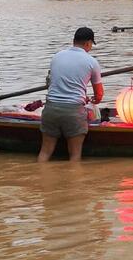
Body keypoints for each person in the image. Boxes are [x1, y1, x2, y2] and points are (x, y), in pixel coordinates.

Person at [38, 26, 104, 163]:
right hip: (73, 112)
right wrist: (92, 100)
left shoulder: (57, 56)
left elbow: (51, 83)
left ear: (74, 41)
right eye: (91, 44)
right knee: (74, 156)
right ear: (88, 43)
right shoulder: (92, 62)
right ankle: (72, 183)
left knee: (45, 152)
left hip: (51, 109)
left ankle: (41, 179)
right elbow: (99, 95)